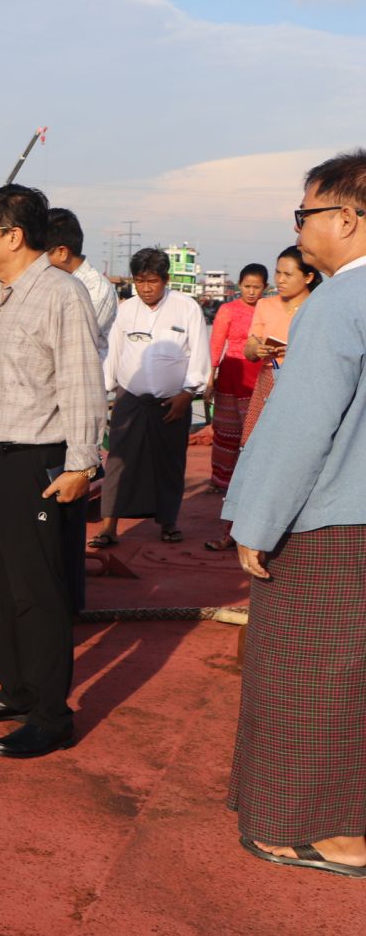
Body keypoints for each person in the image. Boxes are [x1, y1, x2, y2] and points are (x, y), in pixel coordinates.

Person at [224, 148, 366, 879]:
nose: (298, 227)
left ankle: (321, 830)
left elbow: (301, 426)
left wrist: (256, 522)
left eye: (305, 213)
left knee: (309, 674)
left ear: (348, 218)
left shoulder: (340, 301)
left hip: (335, 522)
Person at [0, 183, 105, 759]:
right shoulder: (0, 294)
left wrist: (81, 464)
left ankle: (50, 715)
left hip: (35, 463)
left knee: (38, 593)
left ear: (14, 236)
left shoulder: (60, 294)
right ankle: (15, 690)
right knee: (2, 585)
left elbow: (81, 383)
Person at [88, 248, 210, 546]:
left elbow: (199, 354)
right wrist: (105, 392)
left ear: (165, 280)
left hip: (173, 401)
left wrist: (187, 393)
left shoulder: (187, 308)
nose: (145, 288)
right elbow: (113, 353)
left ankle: (168, 522)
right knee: (118, 461)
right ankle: (109, 526)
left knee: (169, 462)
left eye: (152, 281)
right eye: (139, 281)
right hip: (130, 399)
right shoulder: (125, 310)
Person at [239, 245, 320, 445]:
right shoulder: (265, 305)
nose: (280, 280)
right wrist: (256, 350)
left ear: (308, 277)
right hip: (268, 380)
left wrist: (296, 351)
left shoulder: (318, 306)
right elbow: (250, 346)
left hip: (305, 384)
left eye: (287, 275)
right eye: (277, 273)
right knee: (258, 443)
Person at [206, 265, 268, 494]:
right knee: (226, 429)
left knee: (255, 431)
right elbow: (216, 345)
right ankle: (220, 479)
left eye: (256, 287)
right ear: (239, 285)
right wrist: (210, 380)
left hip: (259, 374)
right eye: (247, 286)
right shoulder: (227, 310)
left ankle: (250, 482)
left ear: (265, 287)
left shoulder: (269, 309)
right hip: (231, 373)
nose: (251, 291)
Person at [45, 208, 118, 362]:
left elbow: (72, 340)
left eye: (41, 254)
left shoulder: (96, 288)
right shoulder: (51, 281)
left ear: (62, 252)